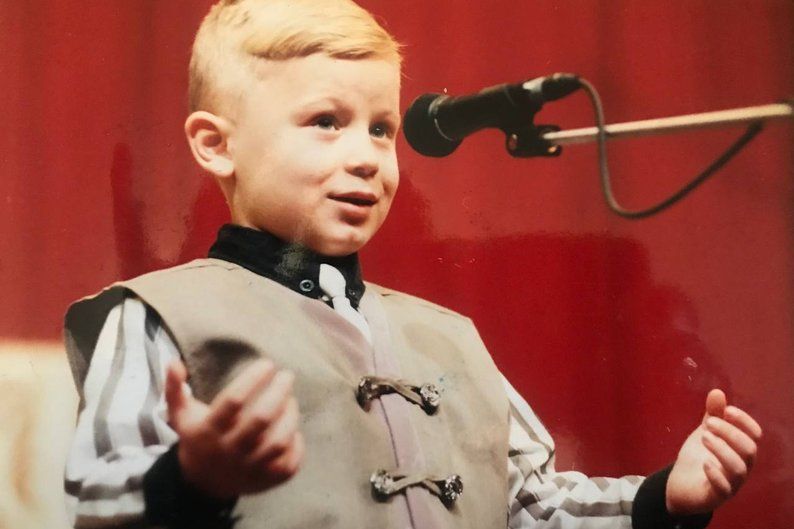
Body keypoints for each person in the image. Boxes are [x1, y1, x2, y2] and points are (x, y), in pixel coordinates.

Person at [62, 1, 762, 528]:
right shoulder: (159, 315)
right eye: (325, 122)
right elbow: (99, 503)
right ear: (216, 145)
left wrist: (663, 498)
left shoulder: (448, 336)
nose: (366, 156)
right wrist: (191, 480)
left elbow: (532, 505)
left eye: (381, 129)